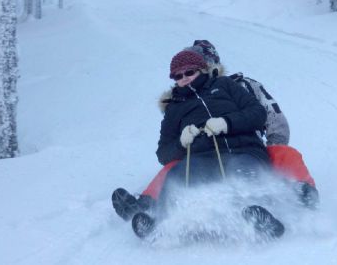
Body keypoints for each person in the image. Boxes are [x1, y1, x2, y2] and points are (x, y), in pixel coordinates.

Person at [114, 49, 285, 239]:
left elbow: (257, 113)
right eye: (178, 76)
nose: (184, 78)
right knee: (176, 176)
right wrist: (181, 142)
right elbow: (163, 153)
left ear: (202, 70)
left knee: (243, 171)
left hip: (243, 150)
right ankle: (160, 227)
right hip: (202, 158)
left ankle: (262, 219)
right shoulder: (174, 108)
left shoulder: (225, 85)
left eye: (189, 72)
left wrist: (226, 123)